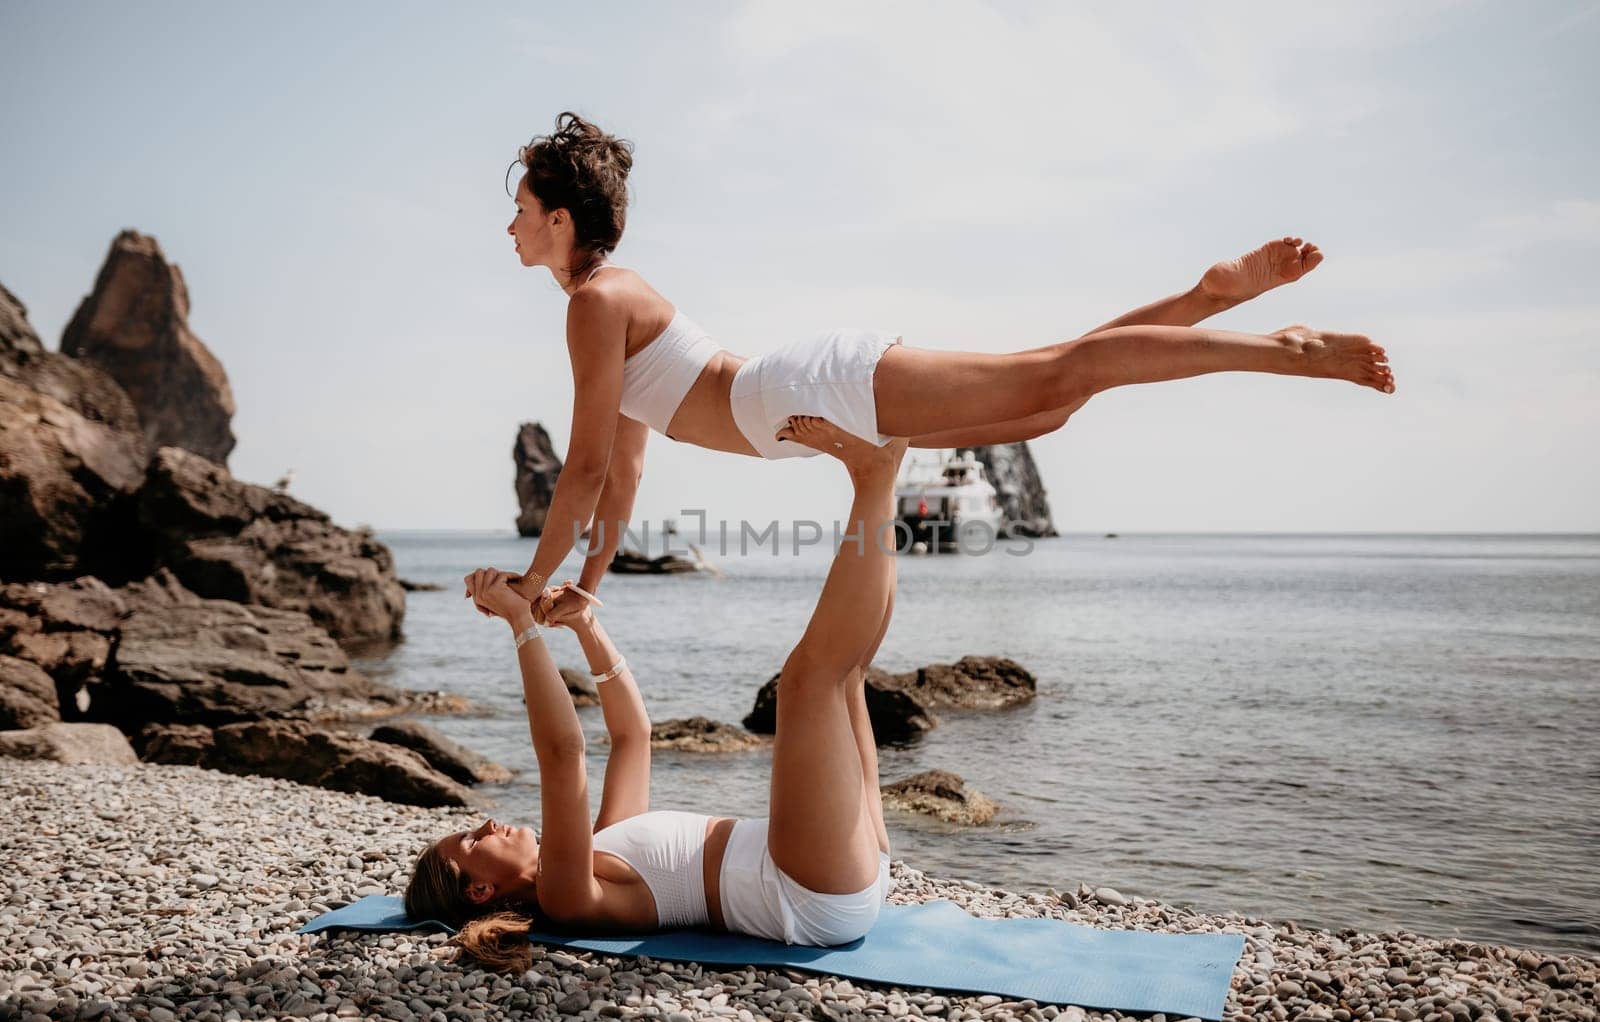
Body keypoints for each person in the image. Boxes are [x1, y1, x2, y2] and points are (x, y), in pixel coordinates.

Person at [499, 111, 1394, 604]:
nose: (511, 225)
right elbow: (619, 472)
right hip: (800, 401)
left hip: (809, 388)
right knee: (1050, 397)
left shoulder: (595, 304)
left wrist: (529, 584)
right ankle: (1205, 300)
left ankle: (1290, 349)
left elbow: (581, 468)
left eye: (522, 208)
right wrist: (582, 584)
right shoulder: (610, 305)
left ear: (561, 220)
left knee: (1055, 381)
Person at [407, 417, 910, 973]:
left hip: (835, 868)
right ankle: (875, 479)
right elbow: (563, 755)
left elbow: (632, 737)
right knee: (808, 681)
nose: (487, 825)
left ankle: (882, 473)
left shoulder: (601, 847)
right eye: (474, 843)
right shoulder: (566, 897)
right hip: (807, 891)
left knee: (848, 674)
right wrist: (520, 625)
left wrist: (585, 629)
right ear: (480, 892)